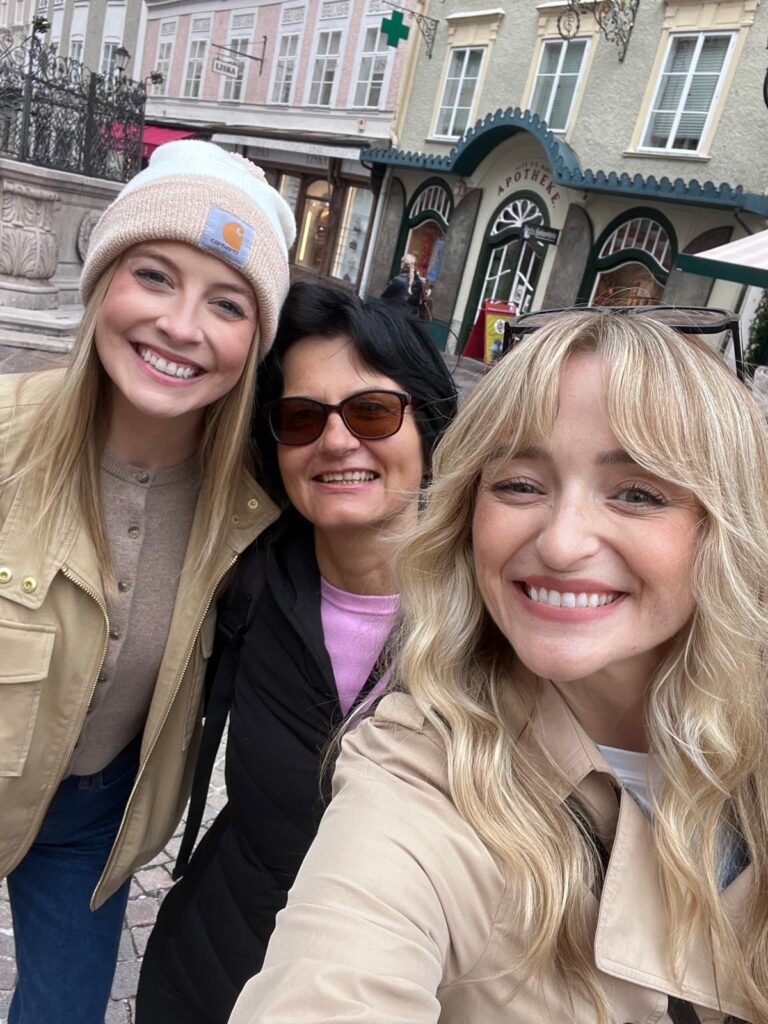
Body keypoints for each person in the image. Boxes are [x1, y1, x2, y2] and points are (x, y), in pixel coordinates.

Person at [227, 309, 768, 1024]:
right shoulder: (419, 767)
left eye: (638, 492)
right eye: (519, 484)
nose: (563, 541)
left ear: (724, 528)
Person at [0, 139, 295, 1024]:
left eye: (227, 303)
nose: (181, 326)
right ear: (102, 285)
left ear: (255, 341)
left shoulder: (257, 509)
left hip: (95, 817)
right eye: (155, 276)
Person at [135, 281, 458, 1023]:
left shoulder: (499, 623)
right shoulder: (242, 577)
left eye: (373, 411)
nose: (337, 441)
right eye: (302, 418)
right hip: (210, 969)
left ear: (427, 427)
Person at [381, 253, 427, 318]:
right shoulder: (419, 282)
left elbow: (384, 296)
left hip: (395, 317)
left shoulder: (398, 280)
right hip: (412, 319)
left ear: (402, 265)